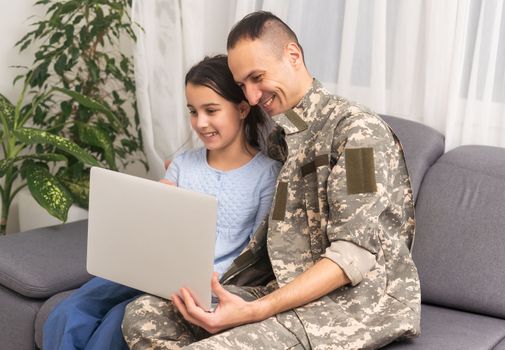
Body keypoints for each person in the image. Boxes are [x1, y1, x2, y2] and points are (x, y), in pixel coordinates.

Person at [123, 11, 421, 350]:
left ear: (293, 55)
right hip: (280, 287)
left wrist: (254, 311)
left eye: (257, 77)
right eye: (241, 86)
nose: (251, 97)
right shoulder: (282, 135)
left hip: (347, 306)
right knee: (144, 312)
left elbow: (353, 256)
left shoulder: (360, 134)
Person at [42, 54, 281, 350]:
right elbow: (155, 228)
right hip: (149, 269)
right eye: (193, 112)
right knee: (67, 311)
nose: (200, 123)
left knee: (117, 322)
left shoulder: (267, 175)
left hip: (200, 286)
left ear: (242, 109)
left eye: (211, 110)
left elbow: (254, 254)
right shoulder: (183, 165)